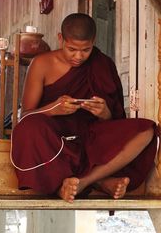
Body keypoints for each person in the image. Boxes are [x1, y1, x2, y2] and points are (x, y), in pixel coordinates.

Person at [11, 13, 158, 203]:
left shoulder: (103, 64)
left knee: (146, 130)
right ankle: (99, 181)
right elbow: (25, 115)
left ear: (93, 42)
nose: (78, 57)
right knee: (29, 128)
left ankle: (83, 181)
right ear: (60, 38)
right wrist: (52, 108)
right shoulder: (41, 64)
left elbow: (116, 120)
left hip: (90, 136)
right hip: (55, 138)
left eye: (86, 50)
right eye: (72, 49)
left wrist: (105, 113)